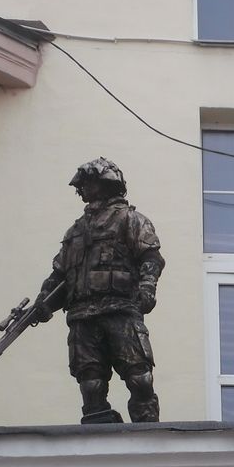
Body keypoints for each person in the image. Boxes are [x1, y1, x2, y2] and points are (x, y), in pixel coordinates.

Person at [36, 157, 165, 424]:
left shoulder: (130, 219)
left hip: (119, 310)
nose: (81, 189)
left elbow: (150, 258)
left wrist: (147, 286)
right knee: (90, 384)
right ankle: (98, 429)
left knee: (139, 377)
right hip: (82, 315)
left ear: (106, 183)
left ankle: (148, 434)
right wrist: (43, 302)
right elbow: (60, 277)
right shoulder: (75, 231)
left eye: (87, 183)